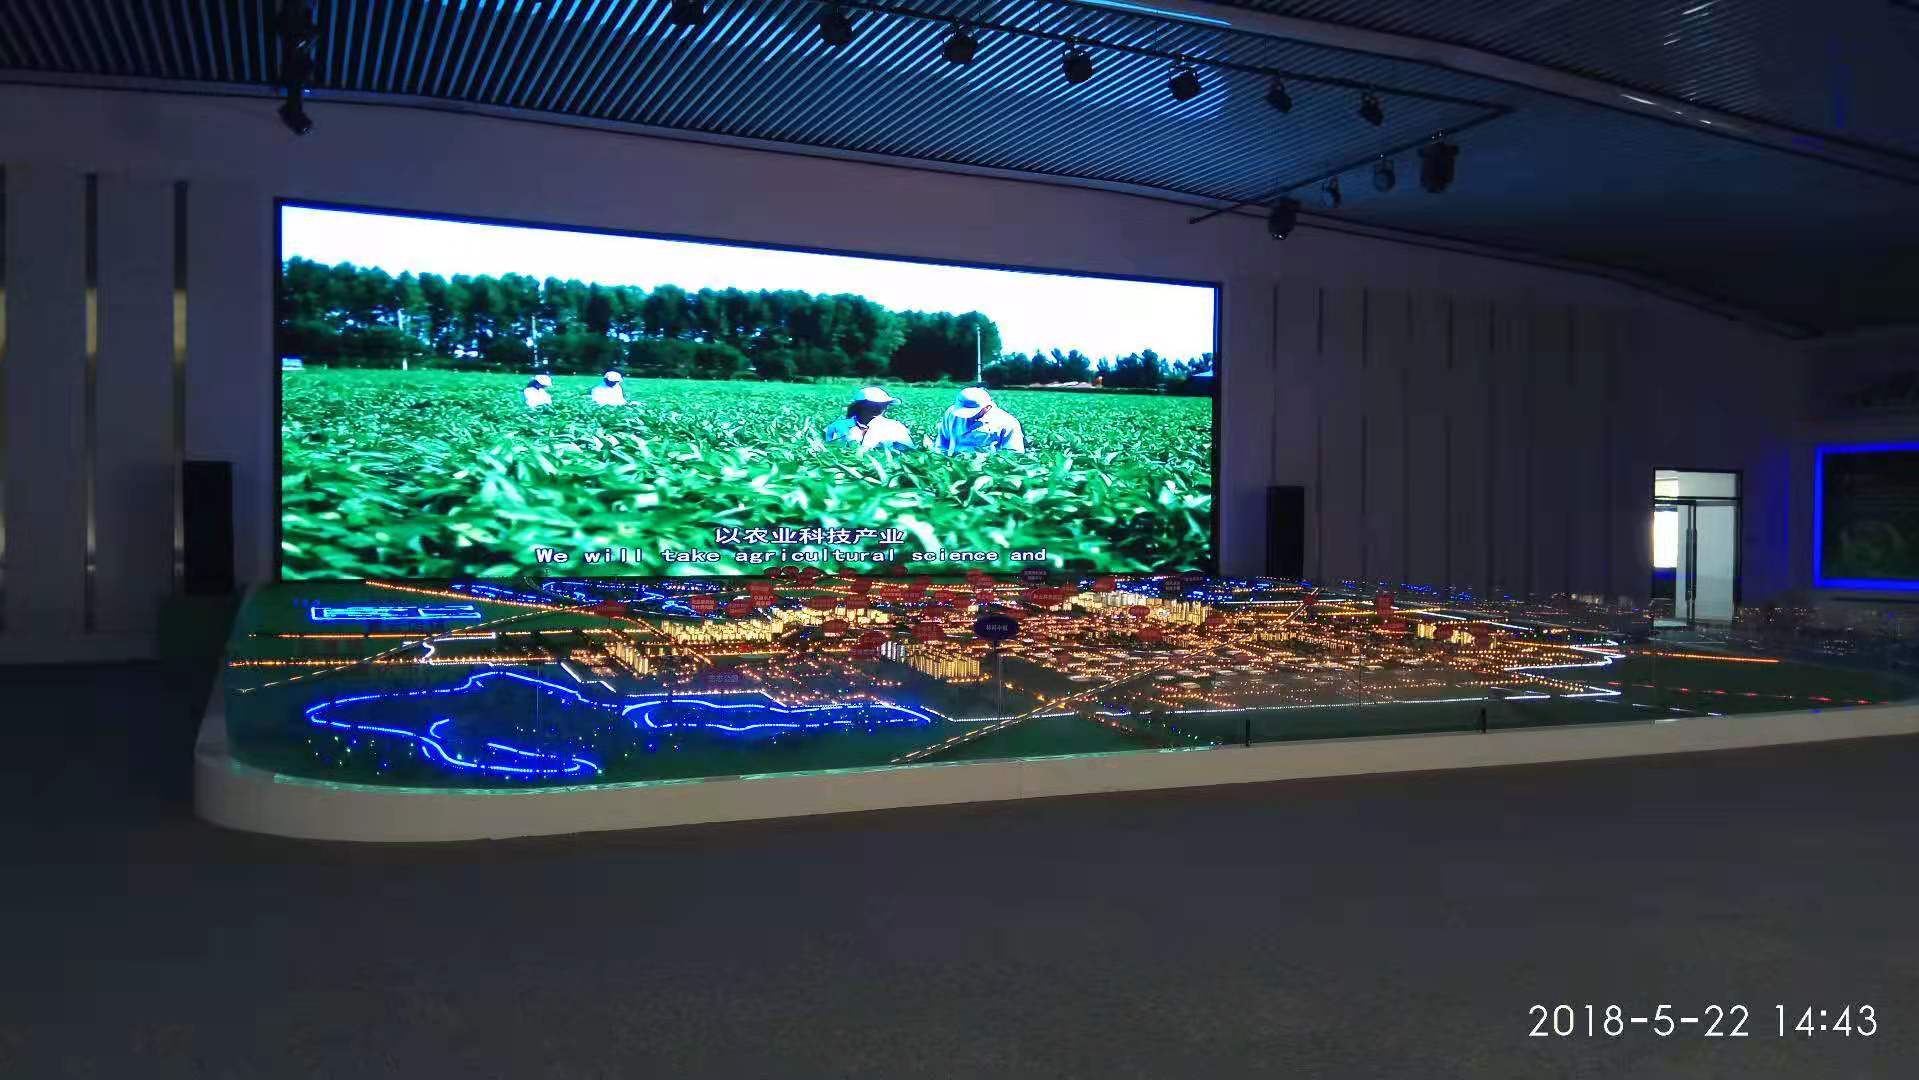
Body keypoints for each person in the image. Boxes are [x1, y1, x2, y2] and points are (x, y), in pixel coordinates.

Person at [824, 387, 914, 452]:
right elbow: (828, 451)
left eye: (883, 405)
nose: (879, 409)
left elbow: (908, 452)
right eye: (872, 405)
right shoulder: (838, 426)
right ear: (859, 406)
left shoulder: (895, 427)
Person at [936, 386, 1025, 454]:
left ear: (987, 408)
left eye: (971, 413)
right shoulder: (951, 413)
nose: (966, 417)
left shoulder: (1008, 423)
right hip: (953, 464)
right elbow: (943, 441)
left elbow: (1014, 454)